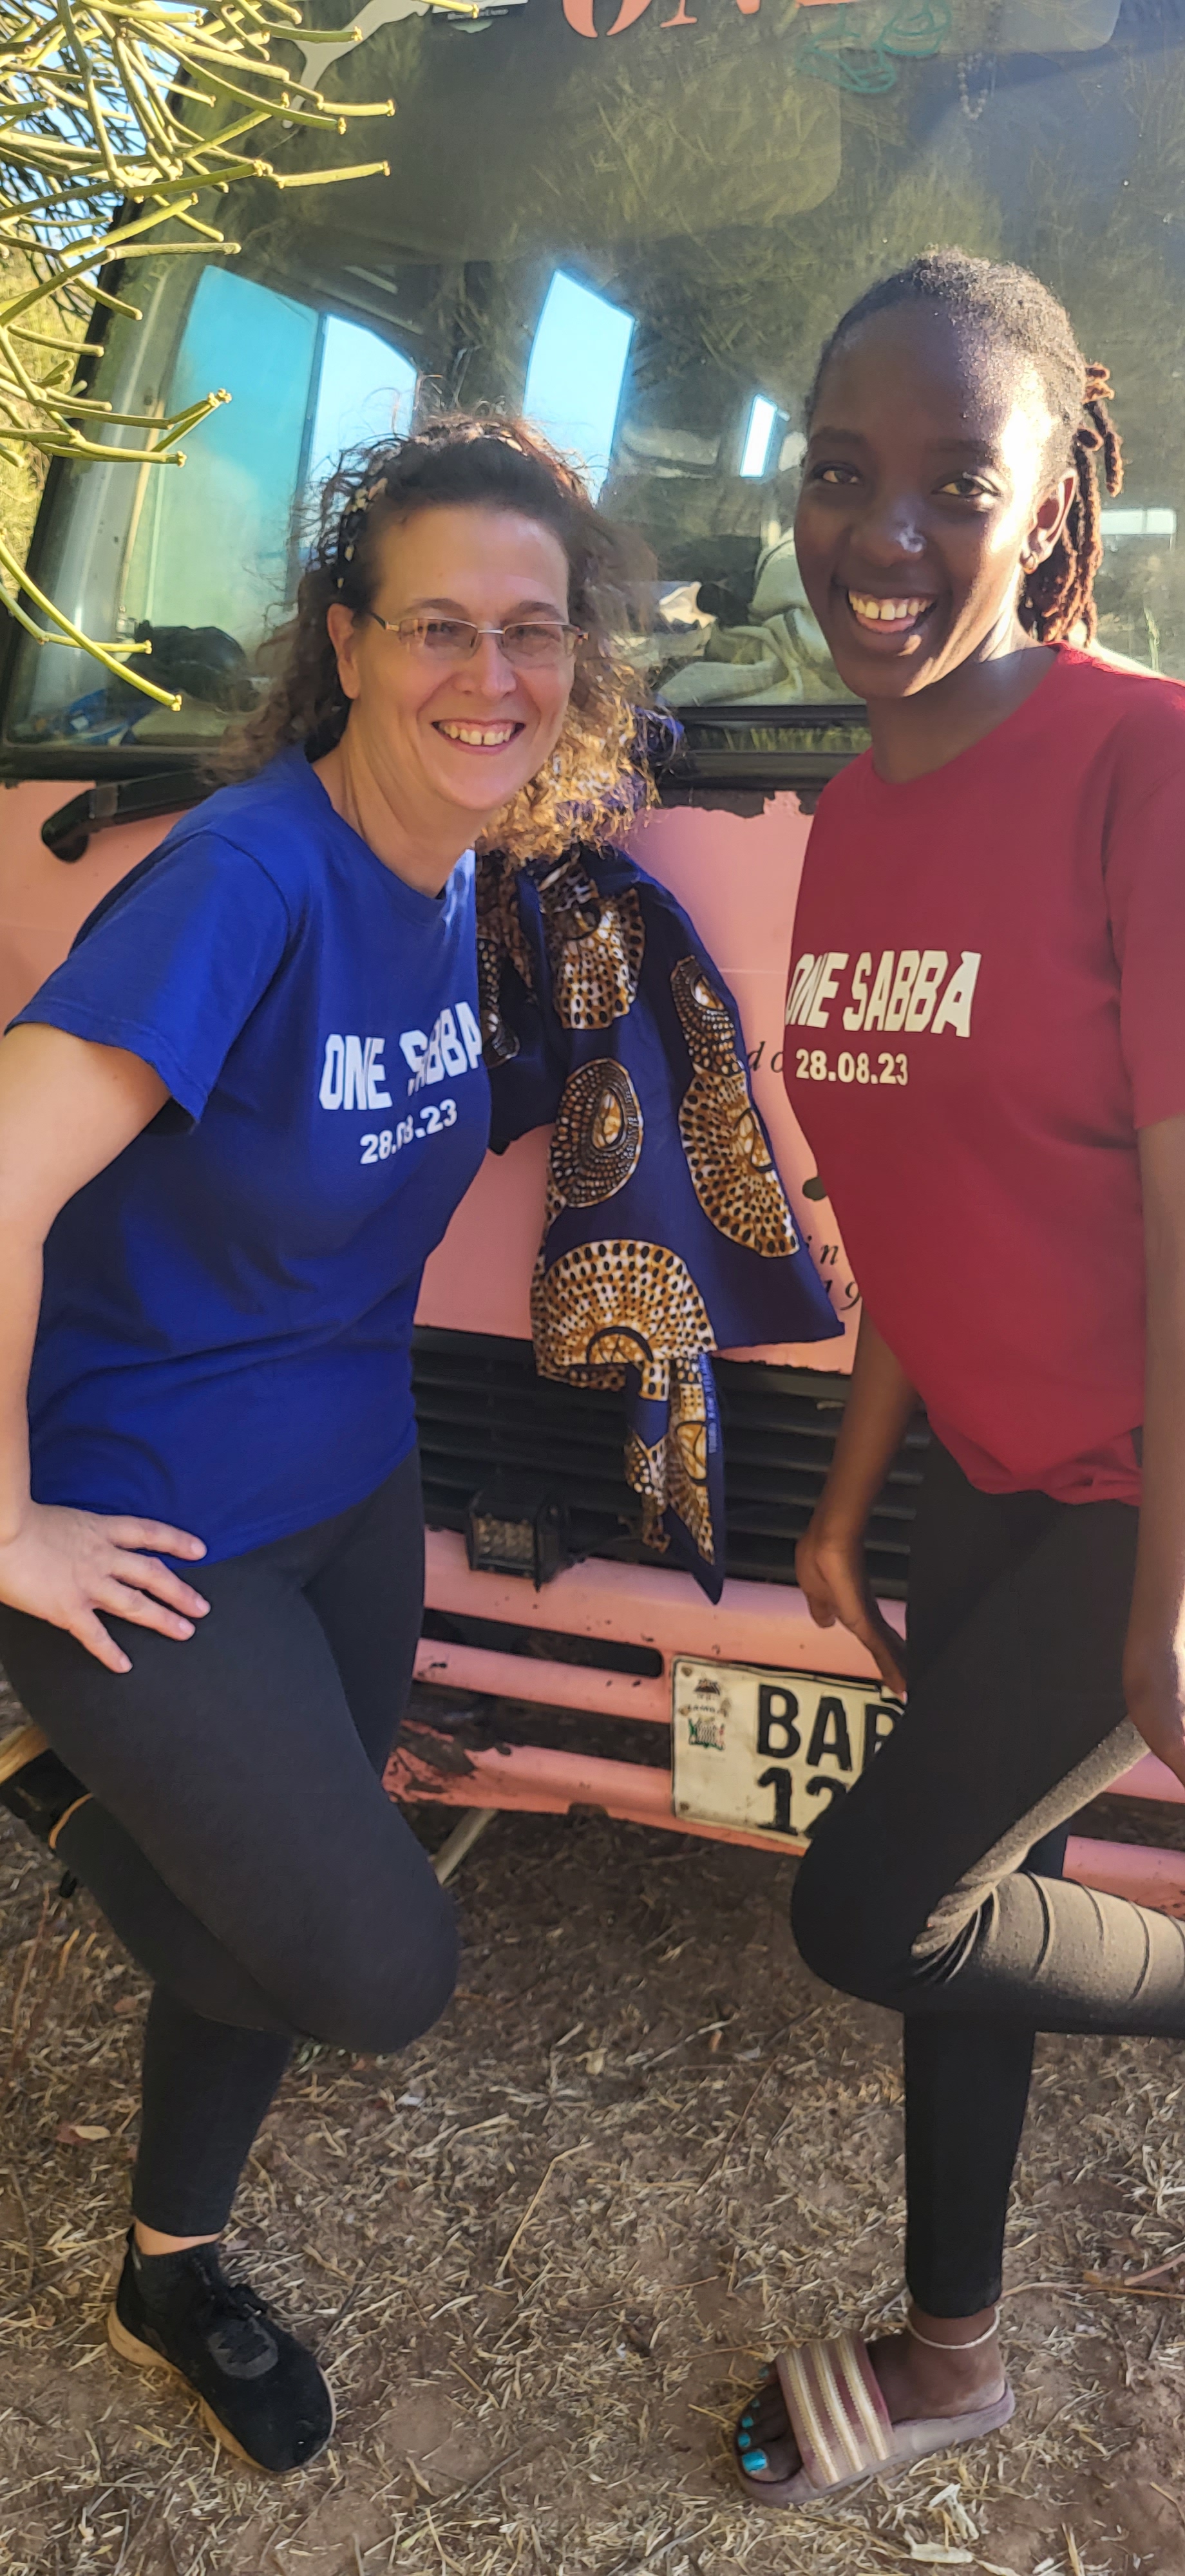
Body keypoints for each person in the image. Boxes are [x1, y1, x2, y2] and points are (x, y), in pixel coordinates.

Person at [0, 415, 640, 2473]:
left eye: (531, 631)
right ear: (346, 644)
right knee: (372, 1966)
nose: (491, 674)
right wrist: (2, 1529)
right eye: (438, 625)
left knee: (268, 1916)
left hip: (352, 1487)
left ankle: (168, 2273)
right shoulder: (248, 879)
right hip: (152, 1524)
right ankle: (47, 1773)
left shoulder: (447, 873)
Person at [731, 248, 1185, 2505]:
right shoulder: (851, 812)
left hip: (1141, 1487)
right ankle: (952, 2356)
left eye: (954, 483)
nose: (881, 534)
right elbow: (927, 1177)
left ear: (1050, 505)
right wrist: (847, 1491)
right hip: (987, 1470)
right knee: (967, 1894)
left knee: (873, 1901)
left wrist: (1169, 1589)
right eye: (841, 472)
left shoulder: (1146, 766)